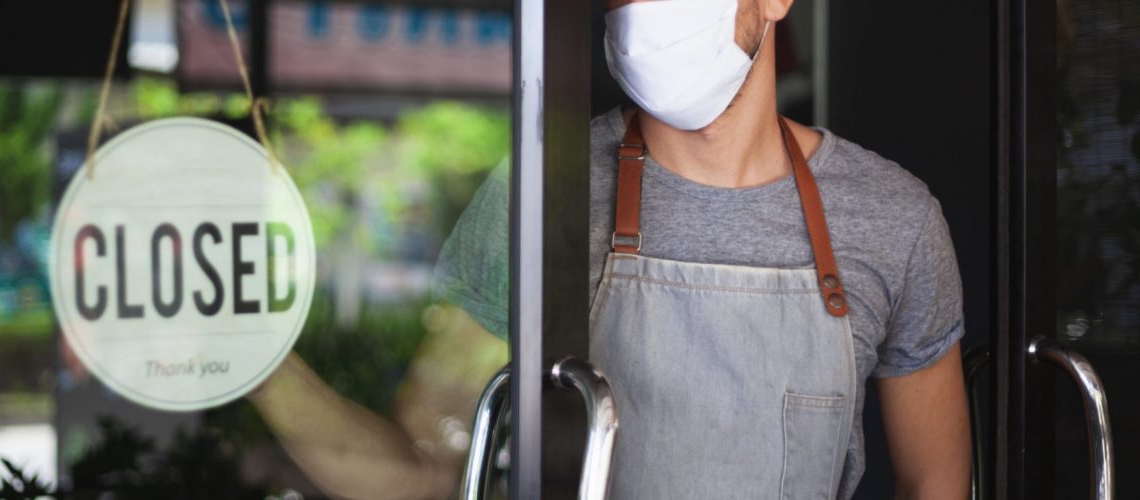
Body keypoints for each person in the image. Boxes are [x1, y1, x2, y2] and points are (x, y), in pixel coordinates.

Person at [251, 0, 971, 498]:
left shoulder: (891, 221)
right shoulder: (539, 195)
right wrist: (254, 365)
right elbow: (416, 472)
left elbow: (936, 484)